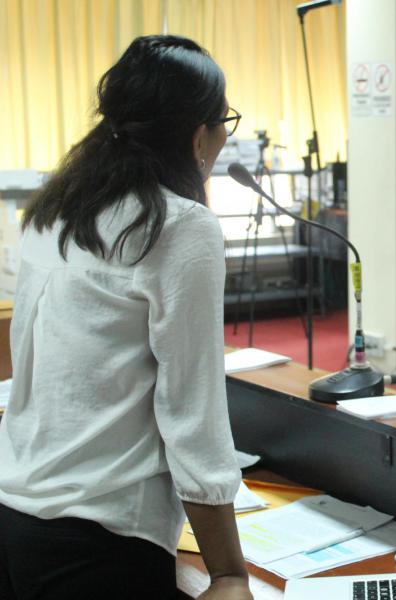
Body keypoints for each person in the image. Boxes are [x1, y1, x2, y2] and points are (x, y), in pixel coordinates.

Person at [0, 36, 251, 600]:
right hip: (100, 537)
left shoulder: (55, 208)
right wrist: (229, 572)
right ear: (196, 134)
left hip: (15, 513)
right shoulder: (180, 226)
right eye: (224, 121)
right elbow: (192, 413)